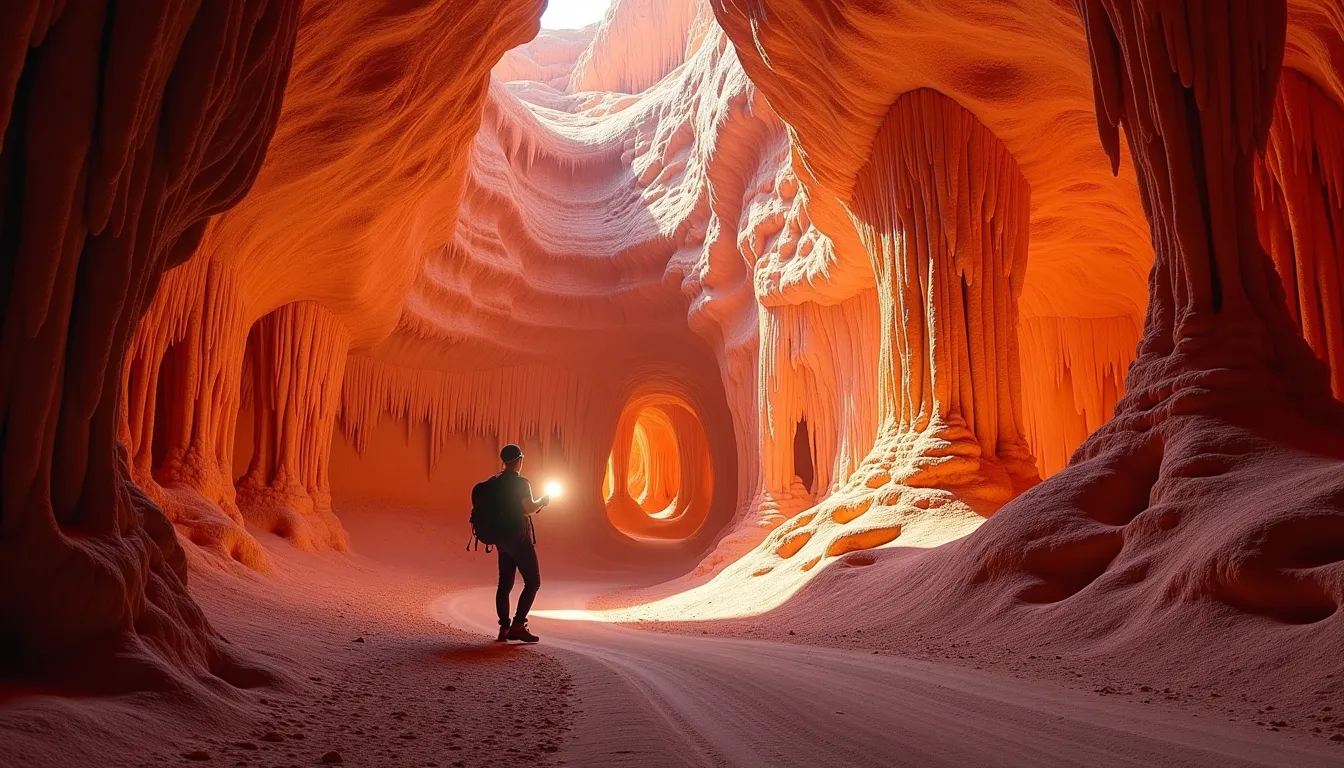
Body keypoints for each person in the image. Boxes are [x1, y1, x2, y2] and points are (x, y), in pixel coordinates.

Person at [493, 443, 549, 643]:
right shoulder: (521, 482)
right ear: (519, 461)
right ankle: (518, 625)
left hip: (501, 539)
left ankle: (504, 628)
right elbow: (528, 508)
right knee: (533, 582)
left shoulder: (495, 482)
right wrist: (543, 500)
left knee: (504, 584)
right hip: (519, 537)